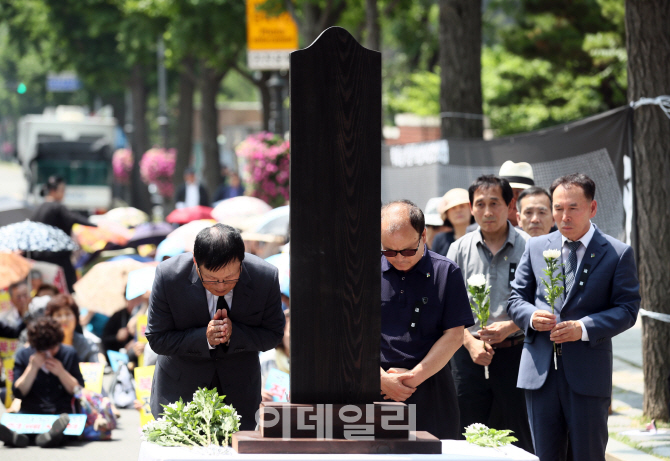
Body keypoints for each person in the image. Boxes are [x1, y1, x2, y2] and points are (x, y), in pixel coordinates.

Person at [507, 173, 640, 461]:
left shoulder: (617, 253)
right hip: (539, 373)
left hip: (587, 372)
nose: (563, 216)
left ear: (592, 208)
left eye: (573, 208)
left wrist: (583, 327)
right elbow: (515, 299)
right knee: (544, 455)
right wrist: (531, 317)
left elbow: (628, 309)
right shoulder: (536, 247)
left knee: (588, 454)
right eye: (558, 208)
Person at [146, 223, 285, 430]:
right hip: (180, 391)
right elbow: (157, 338)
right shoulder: (169, 276)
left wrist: (234, 335)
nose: (221, 286)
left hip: (239, 394)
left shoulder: (265, 277)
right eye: (211, 279)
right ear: (196, 262)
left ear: (242, 261)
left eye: (230, 278)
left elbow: (273, 334)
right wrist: (204, 338)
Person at [447, 175, 533, 452]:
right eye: (480, 204)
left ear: (509, 205)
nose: (487, 211)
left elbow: (543, 302)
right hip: (467, 354)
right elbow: (446, 307)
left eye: (494, 203)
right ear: (471, 207)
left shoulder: (530, 246)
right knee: (467, 430)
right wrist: (470, 343)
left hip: (516, 351)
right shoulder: (458, 249)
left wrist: (510, 326)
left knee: (517, 431)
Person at [380, 201, 473, 440]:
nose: (399, 259)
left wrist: (412, 378)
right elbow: (349, 336)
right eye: (389, 251)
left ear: (423, 235)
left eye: (408, 251)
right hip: (376, 389)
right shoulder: (364, 271)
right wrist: (378, 379)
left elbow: (454, 334)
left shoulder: (446, 272)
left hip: (431, 388)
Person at [10, 317, 85, 447]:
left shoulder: (69, 353)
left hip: (60, 412)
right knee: (22, 425)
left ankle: (50, 436)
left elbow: (78, 391)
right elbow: (18, 392)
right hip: (31, 413)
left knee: (63, 426)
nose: (48, 353)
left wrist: (61, 372)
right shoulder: (23, 354)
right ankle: (18, 437)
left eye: (52, 349)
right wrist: (32, 368)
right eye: (43, 350)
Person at [31, 175, 96, 292]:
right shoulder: (57, 208)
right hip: (58, 261)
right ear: (53, 191)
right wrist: (96, 225)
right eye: (62, 190)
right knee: (66, 293)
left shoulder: (37, 210)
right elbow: (75, 218)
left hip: (39, 262)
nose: (64, 194)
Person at [46, 294, 101, 363]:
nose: (64, 319)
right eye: (58, 315)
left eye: (68, 314)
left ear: (76, 317)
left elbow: (95, 369)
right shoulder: (45, 345)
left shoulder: (87, 344)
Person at [260, 309, 290, 402]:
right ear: (283, 333)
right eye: (292, 330)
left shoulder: (315, 364)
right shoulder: (267, 359)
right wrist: (259, 394)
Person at [432, 188, 473, 256]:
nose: (458, 210)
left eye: (462, 206)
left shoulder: (482, 236)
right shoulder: (440, 240)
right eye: (453, 208)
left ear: (471, 209)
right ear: (446, 214)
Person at [499, 161, 535, 228]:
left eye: (521, 193)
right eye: (508, 192)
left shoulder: (550, 230)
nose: (514, 199)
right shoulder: (481, 232)